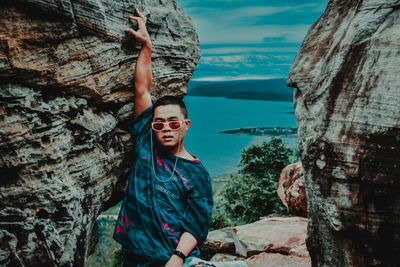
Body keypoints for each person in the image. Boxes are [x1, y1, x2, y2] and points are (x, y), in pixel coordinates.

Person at [113, 8, 247, 267]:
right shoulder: (145, 141)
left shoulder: (197, 174)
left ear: (185, 125)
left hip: (170, 259)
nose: (166, 128)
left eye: (173, 123)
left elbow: (196, 224)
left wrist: (177, 259)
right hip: (134, 254)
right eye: (159, 123)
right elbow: (143, 90)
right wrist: (146, 45)